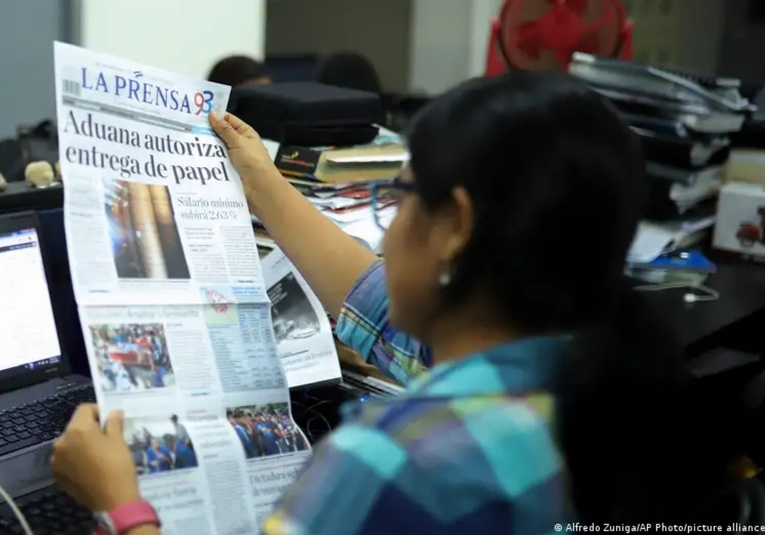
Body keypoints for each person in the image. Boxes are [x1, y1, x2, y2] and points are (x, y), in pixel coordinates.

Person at [52, 72, 724, 533]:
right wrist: (261, 181)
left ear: (454, 226)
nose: (386, 226)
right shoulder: (594, 380)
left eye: (397, 198)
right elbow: (365, 294)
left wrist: (120, 504)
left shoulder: (392, 460)